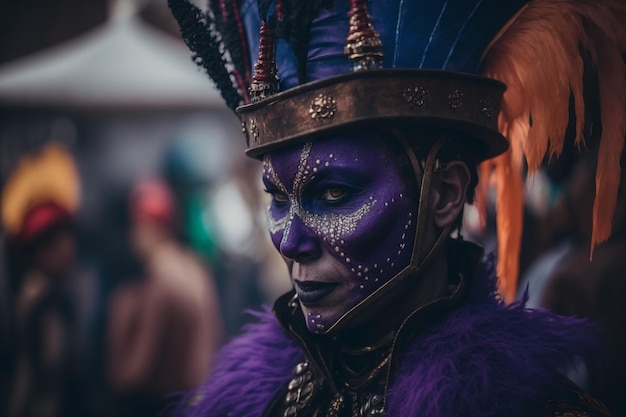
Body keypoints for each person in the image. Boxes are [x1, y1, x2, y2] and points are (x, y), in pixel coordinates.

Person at [168, 0, 626, 416]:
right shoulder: (255, 402)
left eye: (333, 194)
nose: (289, 241)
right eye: (278, 198)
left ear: (444, 195)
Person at [107, 179, 223, 415]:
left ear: (146, 227)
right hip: (206, 394)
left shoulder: (159, 279)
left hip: (174, 402)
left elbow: (138, 370)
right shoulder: (196, 268)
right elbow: (216, 337)